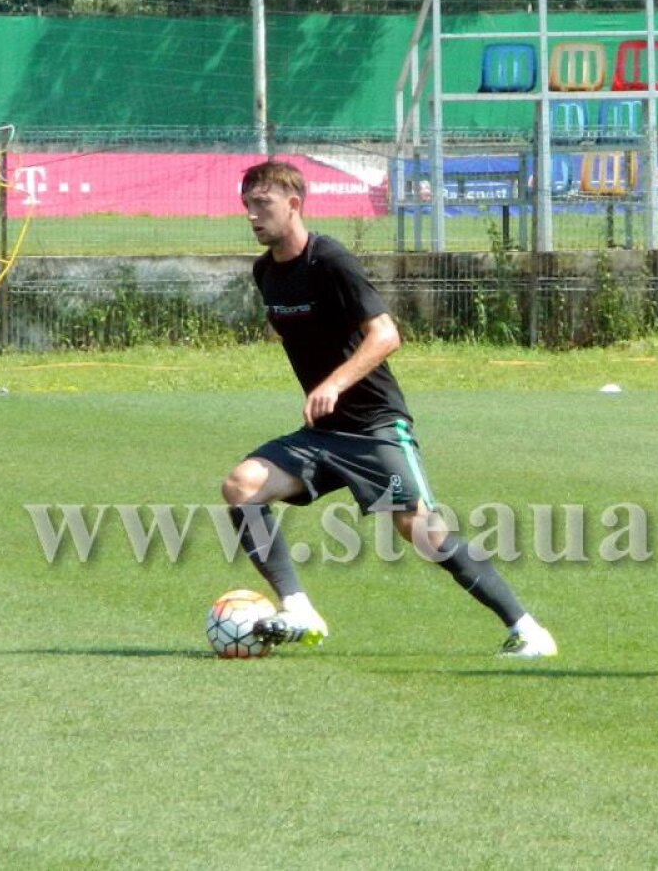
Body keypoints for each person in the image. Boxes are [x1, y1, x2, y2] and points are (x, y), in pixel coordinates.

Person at [222, 160, 556, 658]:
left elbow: (385, 334)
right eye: (247, 205)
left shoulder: (329, 259)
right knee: (242, 486)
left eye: (262, 204)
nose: (252, 215)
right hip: (321, 434)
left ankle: (528, 629)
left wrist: (334, 383)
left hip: (374, 427)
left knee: (419, 530)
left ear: (294, 204)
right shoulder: (265, 272)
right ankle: (298, 609)